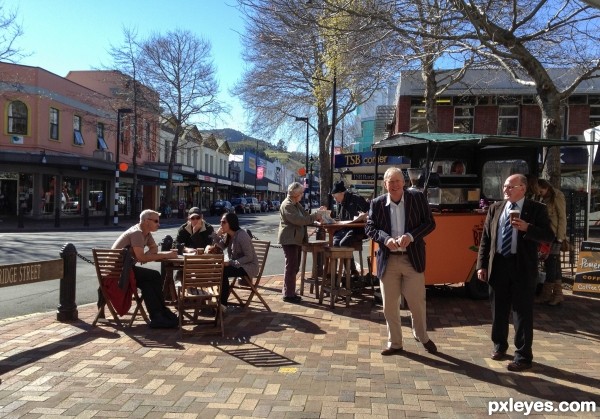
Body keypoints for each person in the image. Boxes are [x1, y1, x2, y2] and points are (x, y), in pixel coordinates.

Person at [476, 174, 554, 372]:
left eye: (511, 187)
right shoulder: (495, 208)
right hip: (499, 265)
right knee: (498, 310)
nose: (506, 190)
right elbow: (486, 240)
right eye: (505, 186)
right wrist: (481, 265)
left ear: (523, 188)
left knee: (522, 313)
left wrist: (528, 228)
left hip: (522, 267)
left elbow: (549, 236)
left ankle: (523, 356)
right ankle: (499, 346)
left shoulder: (536, 209)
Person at [365, 167, 438, 356]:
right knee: (390, 305)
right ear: (385, 184)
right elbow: (370, 227)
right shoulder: (377, 203)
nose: (395, 185)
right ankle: (395, 343)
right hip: (388, 261)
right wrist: (385, 239)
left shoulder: (417, 199)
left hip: (411, 258)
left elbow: (430, 223)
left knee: (417, 303)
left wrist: (411, 236)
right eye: (391, 181)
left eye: (398, 181)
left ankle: (422, 336)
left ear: (404, 183)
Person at [110, 209, 179, 328]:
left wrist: (145, 256)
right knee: (154, 276)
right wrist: (167, 255)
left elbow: (153, 249)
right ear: (147, 221)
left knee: (148, 284)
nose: (159, 224)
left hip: (125, 270)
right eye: (156, 221)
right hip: (118, 273)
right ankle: (159, 314)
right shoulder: (137, 233)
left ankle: (159, 314)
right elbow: (141, 257)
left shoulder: (146, 233)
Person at [277, 182, 324, 303]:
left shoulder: (296, 204)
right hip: (289, 239)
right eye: (301, 193)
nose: (302, 195)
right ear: (295, 194)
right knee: (291, 266)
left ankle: (289, 291)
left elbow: (306, 217)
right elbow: (300, 220)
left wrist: (316, 218)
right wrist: (315, 216)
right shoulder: (287, 205)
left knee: (294, 266)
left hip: (296, 239)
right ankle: (288, 294)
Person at [210, 212, 258, 309]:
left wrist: (230, 262)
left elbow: (249, 257)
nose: (221, 225)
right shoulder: (229, 235)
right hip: (237, 264)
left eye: (223, 222)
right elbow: (221, 245)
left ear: (231, 223)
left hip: (248, 266)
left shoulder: (242, 235)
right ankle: (214, 299)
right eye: (220, 222)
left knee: (223, 271)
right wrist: (216, 235)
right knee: (217, 269)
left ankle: (222, 303)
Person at [536, 179, 567, 306]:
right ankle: (557, 294)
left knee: (551, 264)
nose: (540, 193)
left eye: (541, 190)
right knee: (554, 264)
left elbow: (562, 217)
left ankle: (547, 294)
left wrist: (560, 237)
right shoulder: (541, 198)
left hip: (553, 235)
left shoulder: (557, 196)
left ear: (546, 187)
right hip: (545, 234)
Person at [330, 181, 370, 277]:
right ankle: (334, 274)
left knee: (343, 243)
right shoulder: (341, 203)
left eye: (335, 197)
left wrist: (364, 216)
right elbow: (341, 218)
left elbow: (369, 210)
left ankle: (351, 271)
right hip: (345, 229)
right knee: (335, 243)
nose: (335, 199)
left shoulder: (356, 199)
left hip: (357, 230)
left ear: (342, 193)